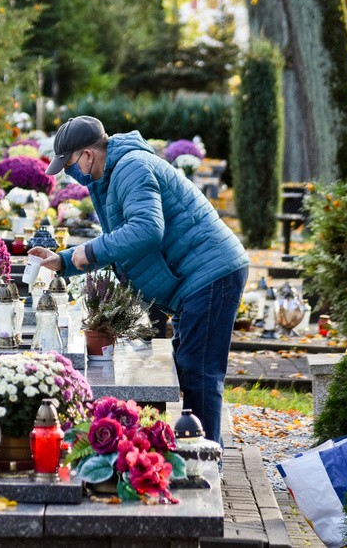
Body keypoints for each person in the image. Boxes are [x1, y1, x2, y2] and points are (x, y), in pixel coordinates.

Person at [30, 116, 248, 446]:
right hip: (199, 276)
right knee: (190, 367)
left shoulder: (131, 167)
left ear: (88, 155)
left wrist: (85, 253)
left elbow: (146, 230)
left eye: (70, 163)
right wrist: (62, 262)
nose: (68, 172)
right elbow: (119, 241)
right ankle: (195, 448)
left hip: (212, 272)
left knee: (200, 372)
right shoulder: (110, 176)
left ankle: (205, 460)